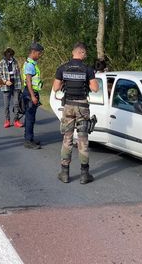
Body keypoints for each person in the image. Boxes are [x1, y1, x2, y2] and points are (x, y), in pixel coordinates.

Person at [52, 42, 99, 184]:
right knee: (83, 139)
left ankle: (64, 173)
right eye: (85, 53)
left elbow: (55, 88)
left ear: (73, 53)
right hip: (82, 107)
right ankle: (85, 174)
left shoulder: (62, 68)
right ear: (82, 53)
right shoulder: (87, 69)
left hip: (68, 106)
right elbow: (95, 88)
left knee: (67, 138)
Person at [22, 42, 44, 149]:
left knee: (29, 117)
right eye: (39, 53)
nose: (40, 55)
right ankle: (28, 140)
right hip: (30, 93)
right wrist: (33, 96)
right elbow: (29, 81)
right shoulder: (30, 65)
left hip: (31, 92)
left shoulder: (31, 63)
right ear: (34, 52)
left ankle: (29, 138)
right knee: (30, 118)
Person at [0, 47, 23, 128]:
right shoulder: (2, 63)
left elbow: (18, 73)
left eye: (11, 54)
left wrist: (20, 85)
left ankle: (16, 120)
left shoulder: (15, 62)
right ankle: (7, 120)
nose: (9, 56)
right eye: (8, 55)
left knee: (16, 103)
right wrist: (5, 81)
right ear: (5, 55)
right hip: (6, 86)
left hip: (16, 85)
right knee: (6, 105)